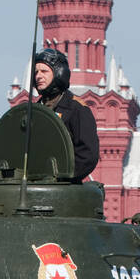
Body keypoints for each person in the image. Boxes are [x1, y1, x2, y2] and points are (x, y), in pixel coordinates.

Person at [32, 48, 98, 183]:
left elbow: (88, 155)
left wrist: (61, 176)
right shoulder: (33, 111)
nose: (38, 76)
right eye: (36, 72)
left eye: (44, 71)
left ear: (59, 73)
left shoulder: (76, 109)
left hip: (64, 188)